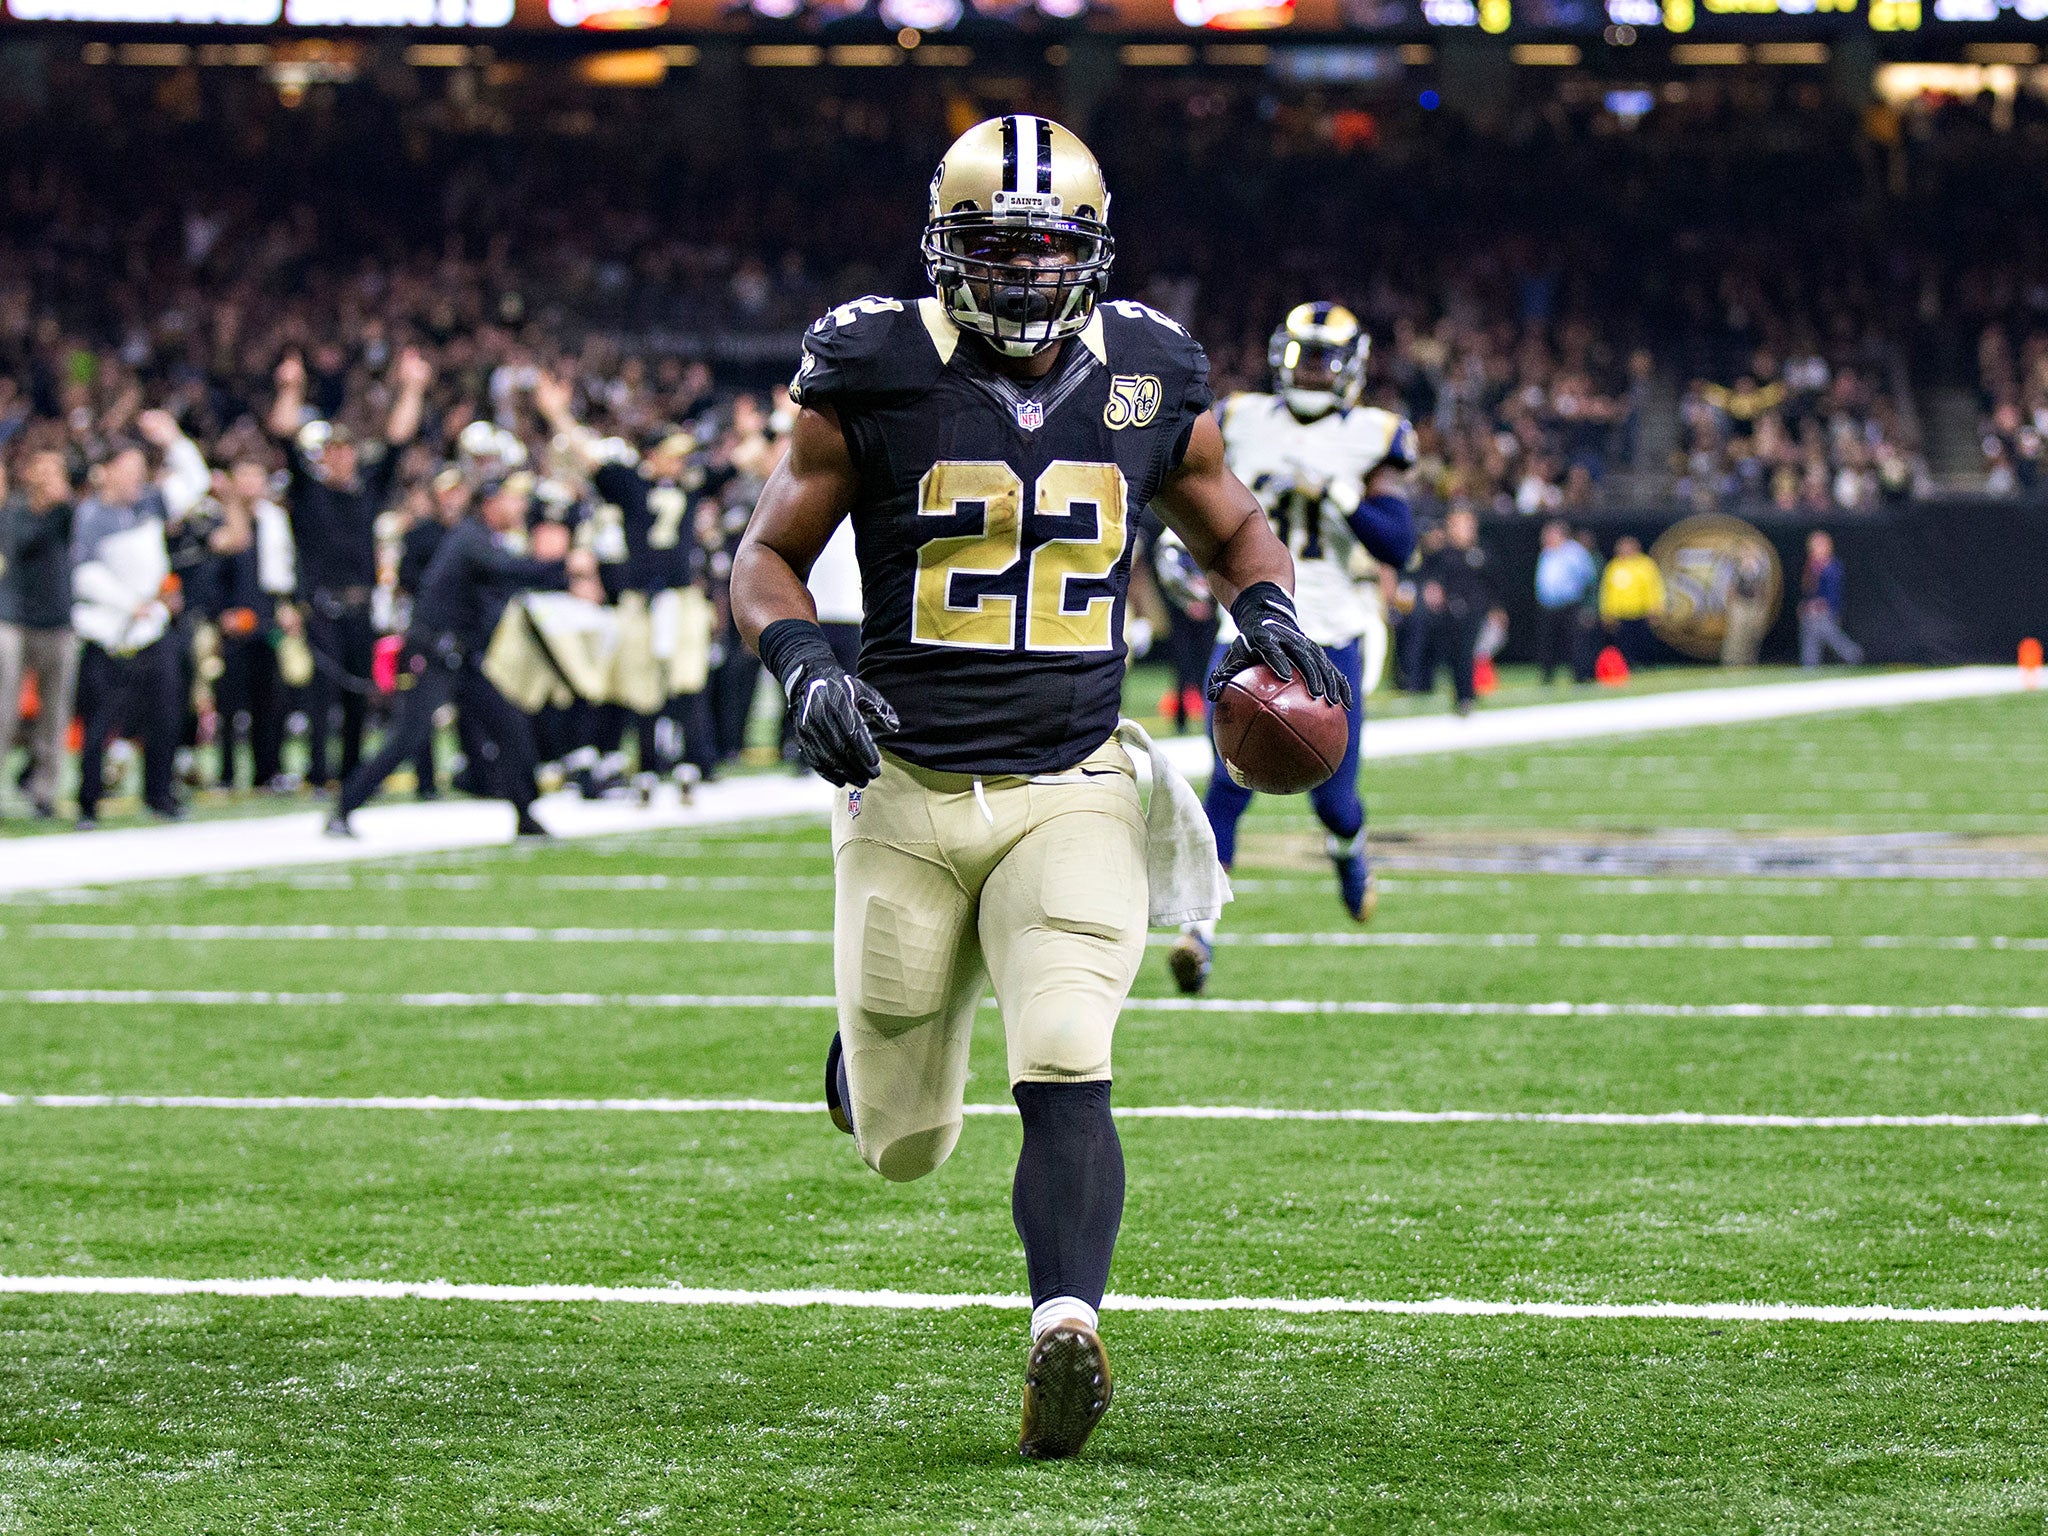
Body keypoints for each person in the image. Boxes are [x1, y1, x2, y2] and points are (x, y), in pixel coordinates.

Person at [729, 115, 1341, 1461]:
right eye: (994, 250)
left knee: (1067, 1052)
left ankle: (1065, 1318)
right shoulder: (875, 364)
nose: (1018, 277)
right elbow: (764, 555)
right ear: (945, 253)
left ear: (1093, 254)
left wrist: (1268, 605)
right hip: (902, 785)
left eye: (1045, 249)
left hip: (1075, 778)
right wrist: (802, 664)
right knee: (901, 1144)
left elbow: (1227, 518)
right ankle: (874, 1027)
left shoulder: (1148, 371)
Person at [1169, 302, 1416, 995]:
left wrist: (1338, 493)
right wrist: (1171, 548)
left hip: (1331, 628)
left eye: (1323, 358)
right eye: (1302, 355)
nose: (1310, 370)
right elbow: (1196, 499)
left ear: (1350, 368)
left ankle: (1351, 859)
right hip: (1246, 622)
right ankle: (1199, 933)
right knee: (1226, 786)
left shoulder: (1374, 435)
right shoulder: (1241, 417)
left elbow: (1398, 541)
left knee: (1335, 800)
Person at [327, 474, 595, 838]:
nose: (520, 507)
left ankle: (525, 814)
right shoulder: (471, 539)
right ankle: (343, 808)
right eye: (512, 499)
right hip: (436, 654)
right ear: (490, 502)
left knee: (510, 726)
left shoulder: (481, 538)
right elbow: (509, 571)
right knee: (407, 738)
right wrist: (565, 568)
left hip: (460, 657)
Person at [268, 346, 431, 788]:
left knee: (360, 696)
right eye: (332, 451)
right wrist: (291, 388)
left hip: (361, 608)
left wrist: (413, 388)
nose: (340, 457)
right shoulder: (308, 493)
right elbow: (283, 434)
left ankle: (353, 775)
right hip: (323, 608)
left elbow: (398, 442)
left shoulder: (366, 493)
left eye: (346, 450)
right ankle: (320, 775)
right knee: (322, 697)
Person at [68, 416, 209, 826]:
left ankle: (160, 794)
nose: (136, 478)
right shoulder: (91, 515)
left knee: (165, 714)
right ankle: (88, 802)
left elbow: (196, 484)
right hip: (108, 632)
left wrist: (175, 440)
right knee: (99, 723)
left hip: (152, 628)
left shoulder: (149, 503)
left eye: (139, 470)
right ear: (105, 472)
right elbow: (84, 574)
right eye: (127, 470)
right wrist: (131, 602)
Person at [0, 444, 78, 819]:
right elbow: (21, 544)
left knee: (55, 712)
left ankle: (44, 791)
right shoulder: (13, 512)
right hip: (13, 619)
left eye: (55, 469)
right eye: (42, 468)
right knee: (3, 711)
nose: (47, 476)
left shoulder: (66, 511)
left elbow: (66, 520)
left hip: (58, 622)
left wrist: (59, 493)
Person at [1415, 506, 1497, 714]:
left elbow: (1491, 582)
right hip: (1451, 611)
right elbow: (1430, 579)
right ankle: (1455, 692)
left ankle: (1466, 695)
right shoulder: (1443, 553)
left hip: (1475, 610)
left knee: (1467, 652)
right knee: (1455, 654)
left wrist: (1496, 608)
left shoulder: (1479, 552)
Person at [1533, 517, 1596, 684]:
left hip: (1570, 604)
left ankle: (1580, 677)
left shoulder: (1574, 551)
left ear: (1560, 534)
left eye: (1549, 534)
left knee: (1575, 643)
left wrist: (1587, 604)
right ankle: (1547, 677)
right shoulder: (1546, 553)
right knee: (1547, 644)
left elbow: (1588, 577)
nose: (1546, 538)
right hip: (1548, 606)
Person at [1799, 528, 1864, 667]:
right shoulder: (1811, 565)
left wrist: (1821, 605)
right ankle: (1809, 666)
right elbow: (1809, 589)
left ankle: (1852, 653)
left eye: (1820, 545)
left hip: (1826, 610)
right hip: (1810, 611)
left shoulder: (1832, 566)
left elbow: (1832, 591)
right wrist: (1806, 604)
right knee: (1810, 638)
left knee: (1831, 635)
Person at [1599, 534, 1664, 667]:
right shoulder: (1614, 566)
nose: (1625, 551)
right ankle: (1629, 664)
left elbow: (1654, 587)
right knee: (1625, 642)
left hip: (1642, 611)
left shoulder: (1645, 564)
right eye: (1622, 548)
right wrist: (1607, 612)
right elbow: (1607, 591)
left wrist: (1655, 607)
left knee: (1645, 640)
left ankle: (1647, 664)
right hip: (1622, 612)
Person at [1721, 543, 1773, 668]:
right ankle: (1732, 663)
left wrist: (1762, 607)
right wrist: (1730, 606)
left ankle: (1749, 663)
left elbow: (1764, 587)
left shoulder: (1761, 567)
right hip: (1739, 604)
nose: (1748, 553)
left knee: (1752, 634)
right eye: (1745, 551)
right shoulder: (1734, 566)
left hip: (1755, 604)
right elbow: (1730, 588)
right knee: (1736, 635)